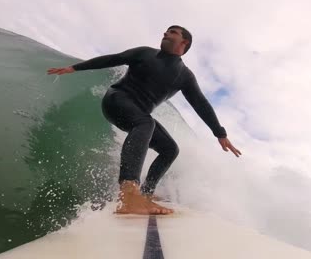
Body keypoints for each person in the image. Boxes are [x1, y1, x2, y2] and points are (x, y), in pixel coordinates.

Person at [47, 25, 241, 215]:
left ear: (184, 42)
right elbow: (113, 59)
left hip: (137, 112)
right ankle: (129, 193)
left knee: (170, 149)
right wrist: (74, 68)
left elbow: (201, 104)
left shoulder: (185, 76)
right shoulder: (145, 53)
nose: (165, 33)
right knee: (146, 123)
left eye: (172, 32)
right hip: (117, 98)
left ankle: (145, 195)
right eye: (166, 31)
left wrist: (220, 134)